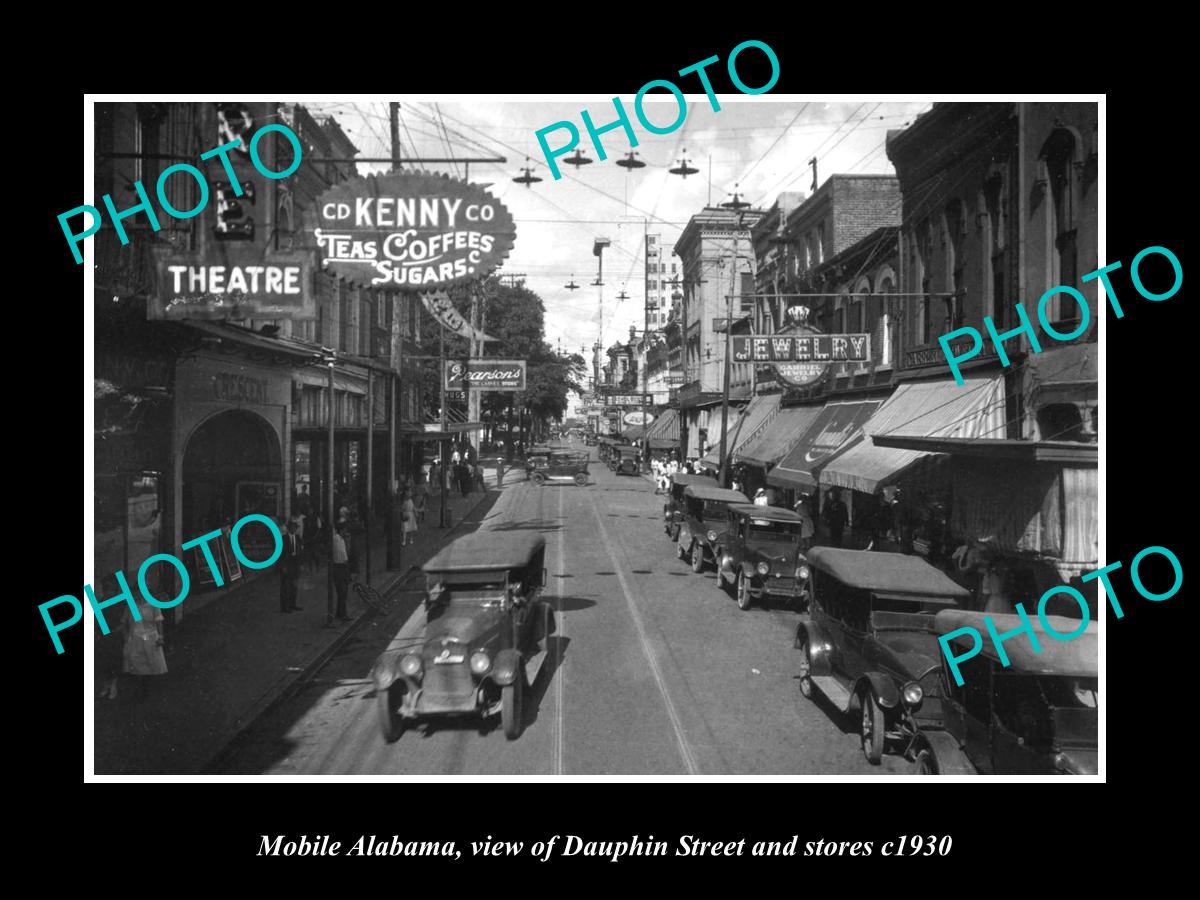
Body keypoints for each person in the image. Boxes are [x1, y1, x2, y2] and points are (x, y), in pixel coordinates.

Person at [122, 595, 167, 696]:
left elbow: (159, 622)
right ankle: (140, 689)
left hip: (150, 638)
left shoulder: (153, 605)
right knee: (137, 664)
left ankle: (149, 688)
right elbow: (124, 622)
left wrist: (160, 637)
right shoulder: (131, 605)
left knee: (151, 664)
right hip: (135, 638)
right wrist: (126, 636)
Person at [329, 520, 351, 624]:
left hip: (344, 566)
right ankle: (343, 614)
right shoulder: (336, 539)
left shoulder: (342, 539)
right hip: (338, 566)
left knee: (344, 591)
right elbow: (339, 553)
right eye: (345, 529)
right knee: (342, 591)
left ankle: (340, 612)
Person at [280, 519, 303, 613]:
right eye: (292, 527)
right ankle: (285, 607)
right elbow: (280, 554)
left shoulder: (297, 538)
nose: (294, 529)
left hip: (295, 563)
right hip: (287, 562)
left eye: (295, 528)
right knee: (286, 586)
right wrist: (283, 566)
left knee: (294, 585)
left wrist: (301, 564)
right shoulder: (284, 538)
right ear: (289, 528)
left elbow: (301, 552)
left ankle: (293, 604)